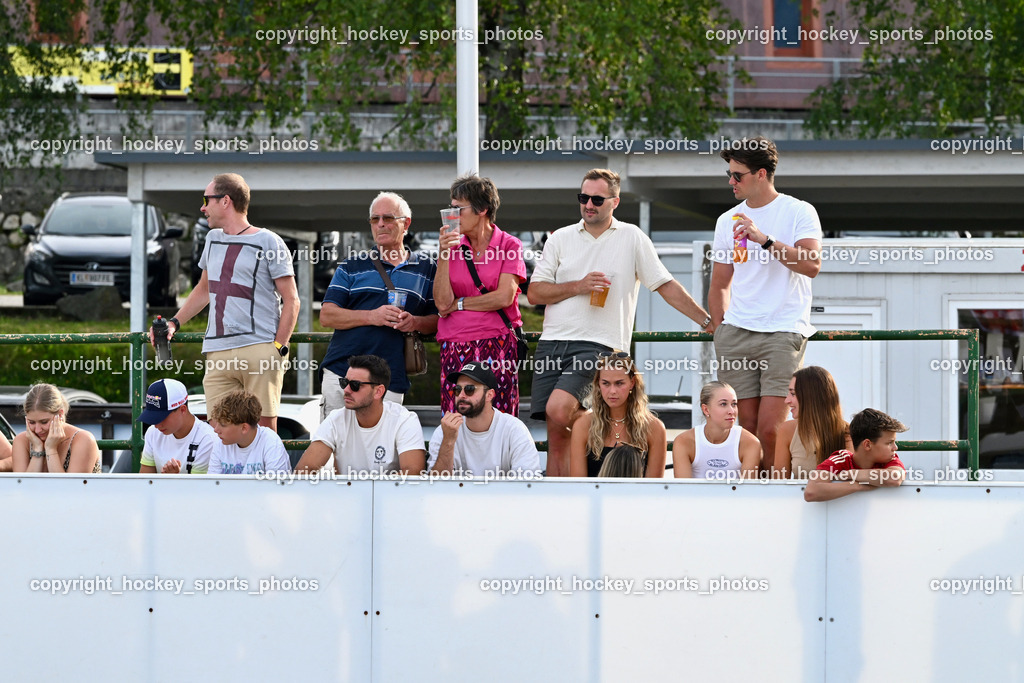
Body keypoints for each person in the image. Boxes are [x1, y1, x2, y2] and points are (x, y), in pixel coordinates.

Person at [528, 168, 713, 476]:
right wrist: (579, 285)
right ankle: (562, 502)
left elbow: (664, 284)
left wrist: (706, 320)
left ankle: (616, 433)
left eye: (597, 199)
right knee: (557, 434)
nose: (589, 204)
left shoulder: (632, 237)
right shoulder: (560, 238)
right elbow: (534, 292)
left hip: (600, 344)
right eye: (583, 197)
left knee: (559, 409)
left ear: (615, 202)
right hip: (551, 342)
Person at [708, 137, 822, 470]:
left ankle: (776, 498)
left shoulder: (798, 210)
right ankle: (748, 502)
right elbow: (718, 285)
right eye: (728, 174)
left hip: (783, 332)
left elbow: (811, 265)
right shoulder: (726, 220)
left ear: (761, 174)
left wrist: (764, 239)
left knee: (772, 430)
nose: (731, 181)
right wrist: (720, 329)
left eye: (737, 175)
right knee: (741, 431)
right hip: (737, 333)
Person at [154, 173, 300, 432]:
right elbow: (204, 289)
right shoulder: (212, 239)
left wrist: (278, 348)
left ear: (225, 201)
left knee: (263, 431)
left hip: (260, 346)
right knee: (218, 431)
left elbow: (292, 300)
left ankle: (268, 475)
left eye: (206, 199)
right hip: (217, 350)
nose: (202, 207)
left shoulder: (269, 241)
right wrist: (175, 322)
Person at [319, 192, 438, 418]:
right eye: (375, 219)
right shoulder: (351, 264)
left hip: (389, 379)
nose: (381, 224)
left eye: (388, 218)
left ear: (406, 224)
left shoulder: (426, 268)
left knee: (383, 451)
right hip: (341, 374)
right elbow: (327, 316)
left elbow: (438, 320)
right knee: (334, 448)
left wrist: (414, 322)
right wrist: (372, 316)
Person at [434, 175, 526, 416]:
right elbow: (443, 304)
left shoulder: (509, 245)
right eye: (450, 208)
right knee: (456, 417)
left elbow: (504, 297)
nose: (452, 214)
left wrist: (460, 304)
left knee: (500, 418)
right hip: (455, 344)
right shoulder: (450, 247)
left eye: (458, 208)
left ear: (482, 209)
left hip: (497, 344)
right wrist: (443, 254)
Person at [296, 355, 425, 476]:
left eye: (355, 385)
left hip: (390, 499)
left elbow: (412, 475)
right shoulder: (335, 419)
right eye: (344, 382)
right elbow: (304, 471)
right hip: (349, 497)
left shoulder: (404, 420)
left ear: (378, 392)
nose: (346, 390)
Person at [428, 362, 540, 477]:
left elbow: (527, 484)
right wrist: (448, 441)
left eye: (469, 389)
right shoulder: (445, 431)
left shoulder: (514, 429)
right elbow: (435, 485)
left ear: (489, 395)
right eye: (457, 389)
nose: (461, 395)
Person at [569, 352, 667, 478]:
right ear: (598, 384)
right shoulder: (583, 425)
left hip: (636, 497)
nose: (612, 391)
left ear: (632, 383)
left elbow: (653, 490)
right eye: (606, 383)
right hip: (594, 497)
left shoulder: (654, 427)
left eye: (619, 383)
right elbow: (579, 486)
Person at [804, 408, 908, 502]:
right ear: (867, 445)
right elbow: (811, 492)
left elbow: (894, 478)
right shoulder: (841, 459)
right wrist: (857, 486)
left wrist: (851, 474)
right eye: (889, 443)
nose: (895, 448)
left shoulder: (891, 459)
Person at [774, 366, 853, 479]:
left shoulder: (848, 433)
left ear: (811, 396)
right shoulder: (787, 430)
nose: (787, 400)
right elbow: (778, 486)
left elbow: (852, 480)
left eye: (793, 394)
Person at [672, 381, 761, 480]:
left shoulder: (750, 443)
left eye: (734, 404)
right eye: (723, 404)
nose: (731, 411)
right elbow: (684, 492)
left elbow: (747, 492)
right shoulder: (684, 441)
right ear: (706, 410)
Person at [11, 384, 101, 473]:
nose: (37, 430)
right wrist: (38, 449)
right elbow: (25, 486)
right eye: (32, 422)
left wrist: (51, 449)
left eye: (44, 422)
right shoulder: (21, 441)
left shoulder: (83, 440)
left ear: (60, 414)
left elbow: (68, 487)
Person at [137, 378, 218, 474]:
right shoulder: (152, 433)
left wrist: (173, 480)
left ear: (183, 409)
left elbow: (199, 487)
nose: (156, 425)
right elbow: (145, 482)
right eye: (153, 418)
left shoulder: (208, 439)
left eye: (162, 417)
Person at [207, 390, 291, 475]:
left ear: (244, 428)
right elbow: (211, 484)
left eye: (223, 425)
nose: (216, 430)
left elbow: (277, 486)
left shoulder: (270, 441)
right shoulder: (220, 442)